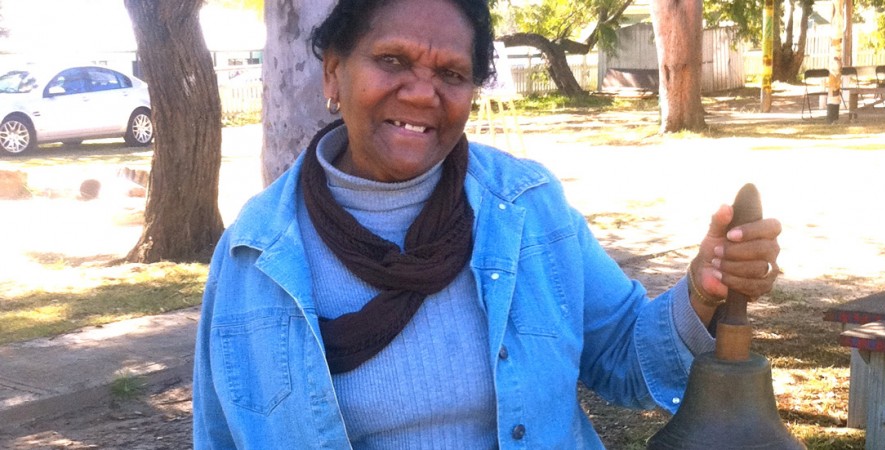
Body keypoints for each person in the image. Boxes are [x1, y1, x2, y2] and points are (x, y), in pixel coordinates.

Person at [192, 0, 782, 447]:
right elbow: (218, 435)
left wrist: (703, 291)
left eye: (452, 74)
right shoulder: (255, 255)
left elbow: (624, 358)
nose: (423, 94)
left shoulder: (528, 208)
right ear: (332, 73)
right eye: (392, 60)